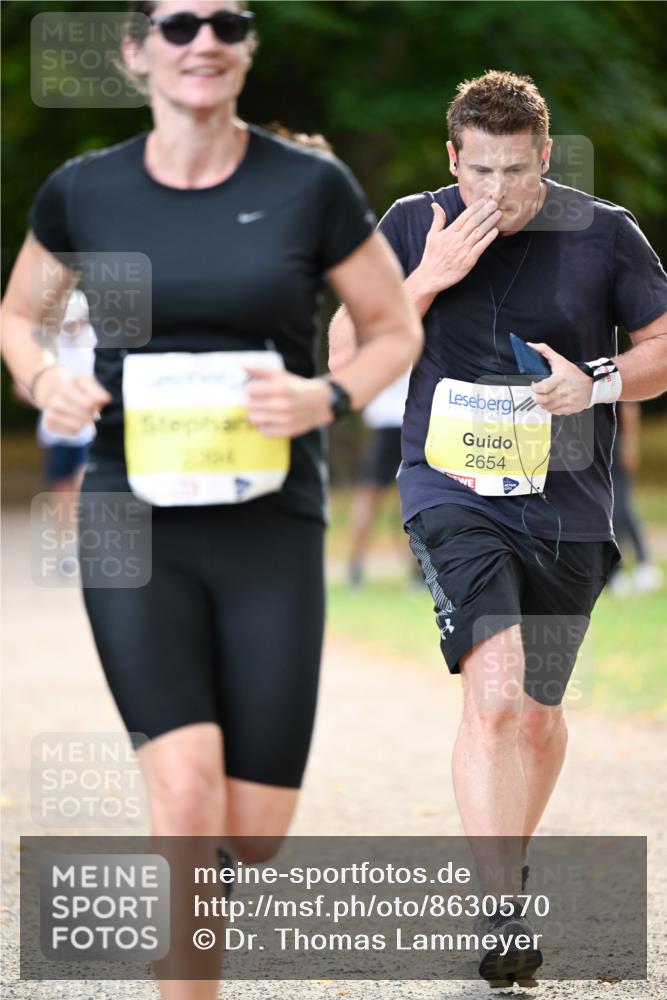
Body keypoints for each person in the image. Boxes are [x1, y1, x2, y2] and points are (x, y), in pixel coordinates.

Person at [1, 2, 423, 995]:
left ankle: (199, 893)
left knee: (255, 830)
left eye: (228, 23)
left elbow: (393, 328)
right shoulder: (84, 190)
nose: (205, 41)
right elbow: (19, 316)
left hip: (269, 523)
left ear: (247, 50)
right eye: (180, 23)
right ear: (135, 51)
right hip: (130, 516)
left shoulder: (308, 186)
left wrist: (326, 397)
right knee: (184, 799)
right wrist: (43, 379)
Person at [330, 70, 667, 987]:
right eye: (478, 170)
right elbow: (342, 352)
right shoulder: (411, 225)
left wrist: (595, 382)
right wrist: (427, 279)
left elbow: (660, 347)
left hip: (568, 504)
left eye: (515, 171)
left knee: (540, 715)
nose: (496, 191)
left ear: (544, 157)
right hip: (451, 493)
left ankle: (505, 869)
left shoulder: (603, 232)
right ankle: (500, 910)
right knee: (494, 693)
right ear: (451, 158)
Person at [347, 366, 411, 587]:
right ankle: (419, 570)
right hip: (410, 422)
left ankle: (355, 566)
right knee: (411, 497)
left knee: (368, 496)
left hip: (382, 422)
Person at [608, 401, 663, 595]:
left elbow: (628, 405)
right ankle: (617, 571)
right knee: (610, 509)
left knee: (620, 508)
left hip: (615, 444)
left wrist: (629, 444)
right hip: (599, 445)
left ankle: (641, 564)